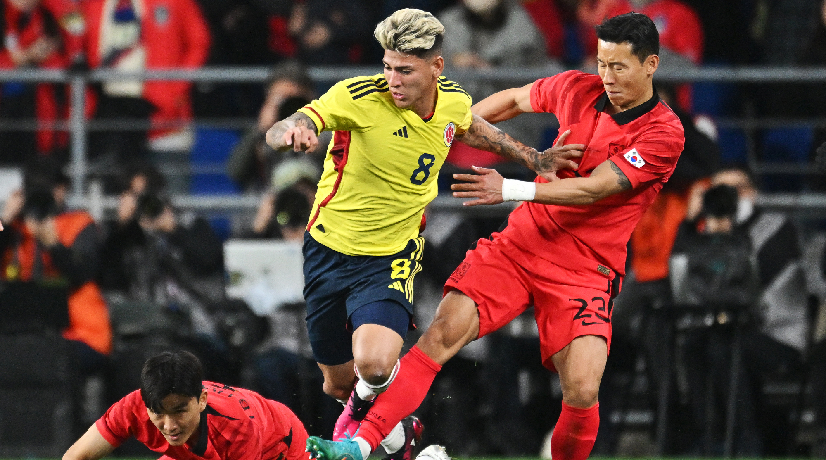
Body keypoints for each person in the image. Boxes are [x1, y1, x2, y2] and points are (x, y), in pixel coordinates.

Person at [303, 12, 684, 460]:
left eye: (618, 67)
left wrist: (510, 189)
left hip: (584, 269)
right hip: (520, 246)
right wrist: (441, 132)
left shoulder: (664, 133)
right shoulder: (577, 87)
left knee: (582, 389)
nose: (607, 76)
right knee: (440, 336)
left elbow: (595, 189)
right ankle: (360, 445)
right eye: (602, 63)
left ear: (651, 64)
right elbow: (514, 99)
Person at [265, 7, 584, 459]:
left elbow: (471, 127)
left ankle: (366, 438)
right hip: (328, 251)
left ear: (436, 67)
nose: (392, 80)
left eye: (405, 70)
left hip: (390, 256)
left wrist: (533, 157)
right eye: (388, 67)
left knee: (376, 365)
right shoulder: (355, 97)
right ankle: (399, 435)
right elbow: (295, 122)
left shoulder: (451, 102)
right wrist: (290, 131)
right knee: (338, 384)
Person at [63, 350, 309, 460]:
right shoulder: (131, 408)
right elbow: (77, 455)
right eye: (158, 413)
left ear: (201, 400)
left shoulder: (237, 429)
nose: (170, 425)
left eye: (179, 411)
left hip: (280, 444)